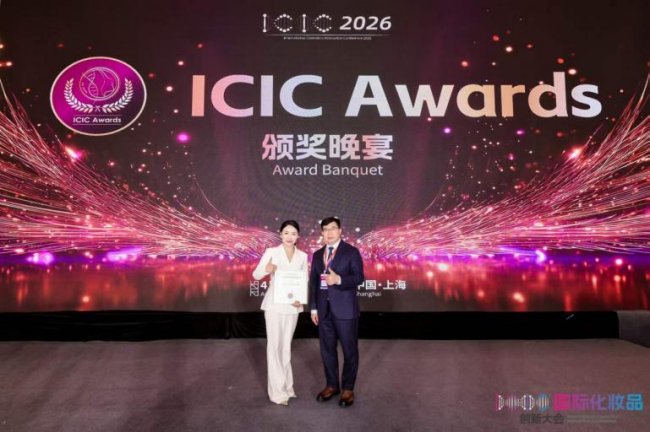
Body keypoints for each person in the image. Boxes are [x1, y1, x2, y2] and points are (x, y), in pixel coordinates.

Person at [309, 216, 365, 408]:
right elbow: (314, 283)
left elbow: (359, 278)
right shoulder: (318, 255)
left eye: (333, 228)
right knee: (327, 351)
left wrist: (339, 280)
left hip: (345, 310)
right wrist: (314, 307)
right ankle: (332, 385)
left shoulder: (351, 252)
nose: (329, 232)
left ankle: (348, 388)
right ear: (322, 233)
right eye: (325, 229)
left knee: (349, 351)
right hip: (323, 311)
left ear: (340, 231)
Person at [253, 220, 307, 406]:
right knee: (274, 347)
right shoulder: (272, 252)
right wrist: (266, 269)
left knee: (285, 347)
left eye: (293, 233)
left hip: (293, 306)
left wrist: (301, 298)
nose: (289, 236)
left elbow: (304, 280)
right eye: (286, 232)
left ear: (298, 236)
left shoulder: (302, 256)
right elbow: (256, 275)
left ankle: (288, 387)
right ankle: (277, 393)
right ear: (280, 234)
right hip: (274, 306)